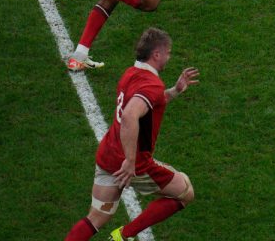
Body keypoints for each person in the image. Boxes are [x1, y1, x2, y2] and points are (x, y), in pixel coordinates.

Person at [65, 28, 199, 241]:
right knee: (185, 192)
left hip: (108, 155)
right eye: (168, 53)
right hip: (133, 163)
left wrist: (175, 90)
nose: (169, 57)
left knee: (97, 217)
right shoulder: (152, 84)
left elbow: (149, 103)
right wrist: (129, 161)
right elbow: (130, 115)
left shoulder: (130, 74)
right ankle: (123, 236)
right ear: (156, 54)